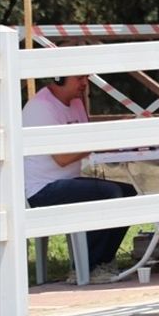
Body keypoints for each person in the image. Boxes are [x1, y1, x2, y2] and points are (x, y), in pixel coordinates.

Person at [23, 75, 137, 284]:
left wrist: (121, 134)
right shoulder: (41, 107)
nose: (85, 83)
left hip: (69, 181)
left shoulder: (76, 102)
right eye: (79, 78)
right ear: (58, 79)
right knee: (111, 194)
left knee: (129, 193)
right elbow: (62, 158)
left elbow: (88, 140)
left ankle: (102, 261)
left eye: (85, 77)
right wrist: (104, 139)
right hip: (42, 189)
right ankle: (85, 268)